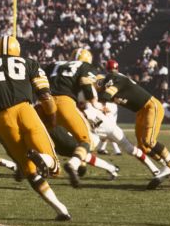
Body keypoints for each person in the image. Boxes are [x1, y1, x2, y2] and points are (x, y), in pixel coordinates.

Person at [0, 35, 72, 221]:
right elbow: (46, 97)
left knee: (29, 170)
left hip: (2, 119)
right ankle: (43, 159)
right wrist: (53, 117)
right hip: (25, 111)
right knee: (54, 167)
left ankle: (61, 209)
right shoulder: (29, 63)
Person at [45, 49, 119, 185]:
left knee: (56, 145)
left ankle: (25, 165)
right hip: (64, 104)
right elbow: (85, 82)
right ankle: (74, 164)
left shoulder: (55, 64)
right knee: (85, 141)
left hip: (44, 105)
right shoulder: (84, 67)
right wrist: (95, 102)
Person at [96, 59, 170, 186]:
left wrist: (93, 97)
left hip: (150, 106)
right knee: (142, 147)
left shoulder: (114, 77)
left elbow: (106, 96)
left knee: (149, 141)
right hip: (140, 111)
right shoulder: (115, 78)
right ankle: (165, 165)